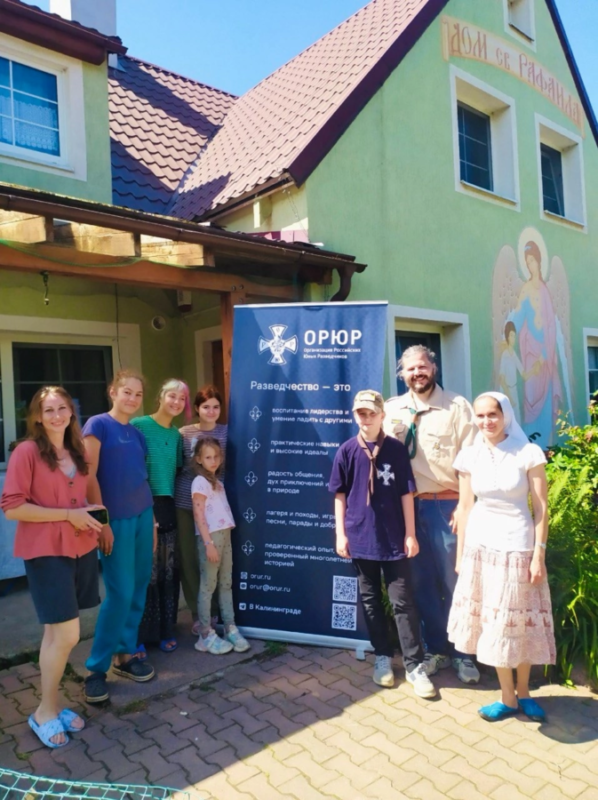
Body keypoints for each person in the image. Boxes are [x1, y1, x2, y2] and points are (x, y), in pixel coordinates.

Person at [0, 387, 104, 748]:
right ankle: (44, 711)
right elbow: (12, 507)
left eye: (62, 408)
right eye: (48, 410)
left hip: (80, 549)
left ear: (72, 412)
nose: (57, 415)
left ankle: (53, 705)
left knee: (55, 635)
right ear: (37, 417)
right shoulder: (27, 452)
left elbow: (78, 496)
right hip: (46, 552)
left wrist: (88, 513)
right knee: (68, 635)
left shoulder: (77, 450)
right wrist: (68, 515)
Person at [448, 391, 556, 722]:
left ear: (505, 415)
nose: (486, 421)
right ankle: (507, 697)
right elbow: (465, 508)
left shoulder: (528, 453)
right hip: (481, 547)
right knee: (493, 623)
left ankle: (524, 693)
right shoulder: (469, 455)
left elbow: (541, 509)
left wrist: (538, 555)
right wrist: (461, 555)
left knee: (518, 621)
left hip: (518, 545)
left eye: (492, 414)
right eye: (480, 416)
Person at [329, 390, 436, 698]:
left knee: (402, 601)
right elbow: (339, 495)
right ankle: (382, 656)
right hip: (360, 536)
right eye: (361, 413)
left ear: (382, 415)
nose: (366, 419)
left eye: (371, 413)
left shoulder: (396, 450)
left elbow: (406, 493)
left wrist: (410, 534)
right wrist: (340, 534)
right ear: (355, 415)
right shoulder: (347, 451)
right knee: (370, 600)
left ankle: (414, 665)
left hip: (394, 538)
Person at [383, 345, 479, 684]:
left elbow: (470, 463)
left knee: (456, 582)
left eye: (422, 366)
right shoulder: (392, 409)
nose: (417, 373)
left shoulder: (457, 407)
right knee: (420, 583)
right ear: (402, 374)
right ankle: (437, 649)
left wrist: (465, 507)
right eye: (410, 369)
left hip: (447, 506)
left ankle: (464, 654)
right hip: (408, 509)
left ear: (433, 368)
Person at [82, 369, 156, 704]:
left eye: (138, 394)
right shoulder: (97, 425)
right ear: (112, 391)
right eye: (127, 392)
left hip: (143, 516)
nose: (132, 399)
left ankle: (125, 656)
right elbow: (88, 475)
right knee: (120, 592)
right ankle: (95, 669)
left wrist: (152, 523)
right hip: (116, 522)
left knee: (139, 586)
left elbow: (141, 478)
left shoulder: (137, 434)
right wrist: (102, 523)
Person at [131, 379, 189, 655]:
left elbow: (175, 471)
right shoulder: (139, 426)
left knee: (168, 571)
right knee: (146, 572)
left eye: (182, 398)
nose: (176, 402)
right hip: (143, 504)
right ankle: (140, 635)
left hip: (168, 506)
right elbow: (131, 470)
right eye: (172, 396)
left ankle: (166, 630)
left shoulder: (177, 436)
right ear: (161, 397)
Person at [175, 385, 228, 635]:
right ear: (197, 408)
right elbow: (177, 466)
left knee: (214, 559)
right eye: (206, 406)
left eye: (216, 407)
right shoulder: (184, 434)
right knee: (190, 560)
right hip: (186, 504)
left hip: (215, 508)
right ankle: (198, 614)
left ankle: (215, 611)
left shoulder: (227, 432)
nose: (211, 411)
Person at [191, 437, 249, 655]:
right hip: (211, 539)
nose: (213, 461)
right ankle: (205, 634)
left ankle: (230, 627)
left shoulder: (218, 483)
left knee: (226, 583)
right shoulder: (199, 482)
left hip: (225, 535)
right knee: (208, 585)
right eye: (208, 457)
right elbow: (199, 515)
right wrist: (208, 544)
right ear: (198, 459)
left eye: (216, 456)